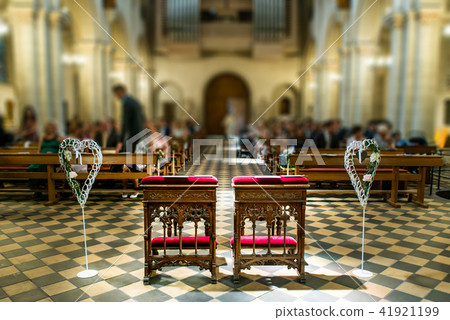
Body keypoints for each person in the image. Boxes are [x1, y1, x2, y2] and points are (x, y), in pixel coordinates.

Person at [28, 122, 63, 196]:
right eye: (48, 127)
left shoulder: (58, 138)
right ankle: (37, 187)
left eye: (51, 127)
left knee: (45, 165)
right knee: (32, 167)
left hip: (53, 158)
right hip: (42, 157)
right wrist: (38, 156)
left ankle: (41, 185)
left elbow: (62, 150)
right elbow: (38, 150)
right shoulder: (42, 138)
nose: (49, 129)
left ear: (54, 128)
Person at [112, 84, 145, 153]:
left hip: (133, 133)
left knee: (127, 156)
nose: (116, 96)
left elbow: (125, 122)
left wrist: (120, 140)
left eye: (116, 94)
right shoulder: (134, 101)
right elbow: (142, 117)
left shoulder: (127, 102)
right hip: (139, 132)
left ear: (120, 92)